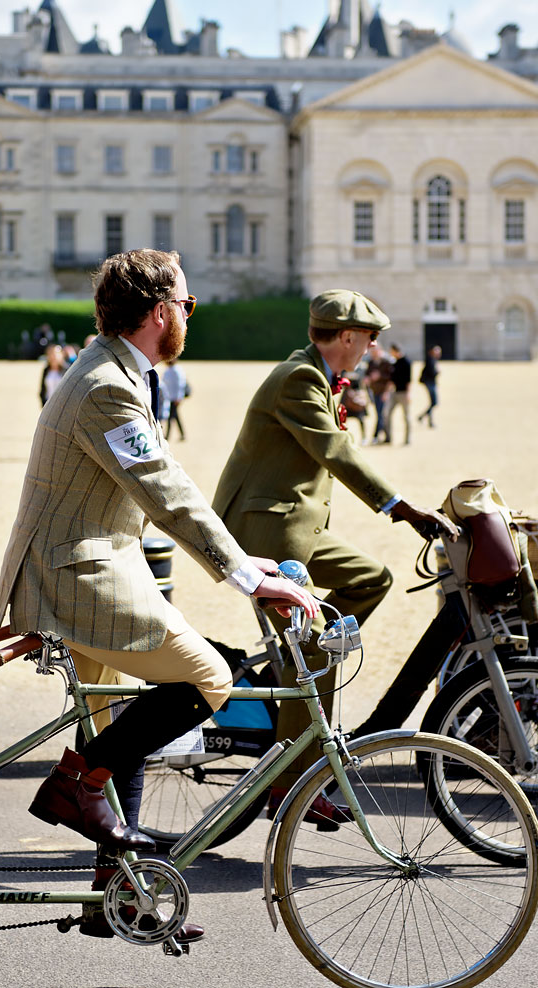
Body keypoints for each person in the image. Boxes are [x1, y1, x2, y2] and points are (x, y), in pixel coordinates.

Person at [0, 248, 316, 940]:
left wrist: (242, 559)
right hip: (77, 575)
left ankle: (118, 894)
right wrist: (244, 575)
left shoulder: (114, 370)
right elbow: (164, 490)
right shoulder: (106, 385)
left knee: (117, 730)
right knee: (209, 676)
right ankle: (75, 786)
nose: (190, 319)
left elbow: (160, 483)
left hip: (93, 565)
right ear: (162, 312)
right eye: (188, 306)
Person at [213, 289, 459, 820]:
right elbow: (335, 450)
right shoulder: (299, 378)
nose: (373, 348)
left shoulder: (314, 374)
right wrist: (401, 507)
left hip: (294, 528)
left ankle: (300, 672)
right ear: (346, 336)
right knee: (316, 652)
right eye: (369, 338)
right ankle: (289, 786)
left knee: (373, 579)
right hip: (266, 533)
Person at [364, 342, 394, 444]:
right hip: (374, 392)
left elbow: (391, 378)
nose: (373, 353)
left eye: (375, 351)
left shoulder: (386, 363)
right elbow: (367, 374)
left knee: (381, 415)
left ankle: (376, 436)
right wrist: (368, 379)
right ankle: (387, 437)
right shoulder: (371, 363)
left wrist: (380, 376)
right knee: (379, 414)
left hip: (384, 392)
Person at [387, 342, 412, 444]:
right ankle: (388, 437)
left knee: (406, 416)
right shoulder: (394, 363)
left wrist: (408, 393)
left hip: (403, 393)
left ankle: (407, 439)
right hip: (394, 392)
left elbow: (408, 380)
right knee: (387, 414)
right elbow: (392, 379)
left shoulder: (406, 362)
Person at [161, 358, 188, 441]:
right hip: (169, 397)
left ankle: (167, 436)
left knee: (170, 417)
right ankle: (182, 434)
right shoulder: (168, 370)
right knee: (175, 416)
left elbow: (180, 385)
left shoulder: (177, 370)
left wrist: (179, 397)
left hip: (175, 398)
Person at [416, 345, 440, 427]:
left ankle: (427, 420)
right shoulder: (430, 360)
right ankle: (423, 418)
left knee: (433, 403)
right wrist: (437, 372)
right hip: (430, 383)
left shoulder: (433, 359)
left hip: (431, 383)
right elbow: (431, 372)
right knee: (434, 402)